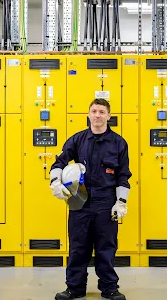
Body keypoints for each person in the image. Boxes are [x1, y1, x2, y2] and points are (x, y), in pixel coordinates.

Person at [50, 98, 131, 300]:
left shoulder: (119, 143)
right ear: (88, 114)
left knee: (106, 248)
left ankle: (109, 288)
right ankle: (74, 288)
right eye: (94, 111)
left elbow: (123, 175)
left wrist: (121, 202)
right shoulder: (77, 139)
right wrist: (55, 182)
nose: (97, 115)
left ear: (109, 116)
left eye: (102, 112)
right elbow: (59, 162)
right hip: (80, 201)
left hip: (106, 202)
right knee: (78, 248)